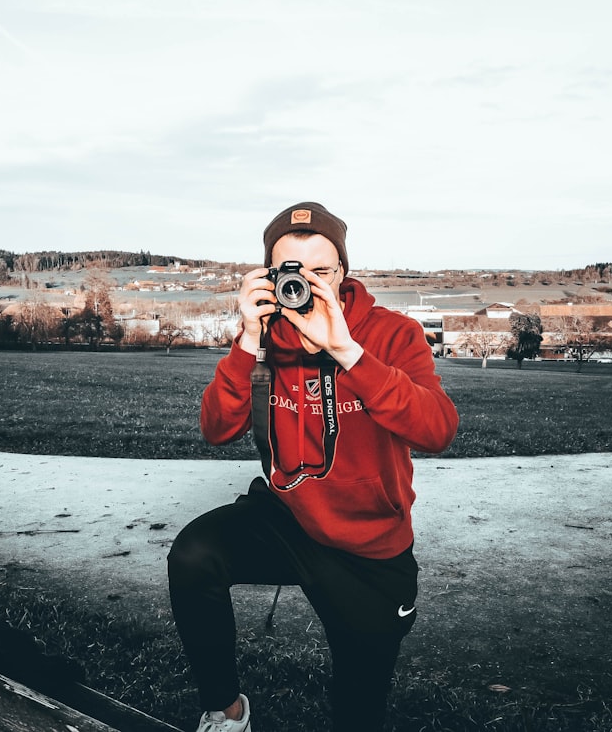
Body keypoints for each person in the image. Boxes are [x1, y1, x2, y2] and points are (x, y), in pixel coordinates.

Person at [167, 202, 459, 731]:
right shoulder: (264, 340)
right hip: (289, 517)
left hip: (369, 544)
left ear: (343, 274)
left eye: (320, 271)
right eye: (289, 272)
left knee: (358, 708)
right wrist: (248, 340)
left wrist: (348, 351)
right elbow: (216, 428)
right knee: (193, 554)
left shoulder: (391, 334)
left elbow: (438, 429)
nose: (305, 283)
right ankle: (227, 712)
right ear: (269, 277)